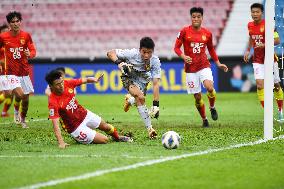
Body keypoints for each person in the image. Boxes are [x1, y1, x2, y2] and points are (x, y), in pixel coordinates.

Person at [45, 70, 132, 149]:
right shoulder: (53, 102)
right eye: (58, 84)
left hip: (84, 114)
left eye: (61, 82)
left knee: (105, 126)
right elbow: (55, 126)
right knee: (104, 140)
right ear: (51, 86)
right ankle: (81, 136)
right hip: (75, 127)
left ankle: (118, 137)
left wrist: (94, 80)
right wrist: (61, 142)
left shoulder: (67, 83)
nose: (61, 86)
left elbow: (84, 80)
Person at [174, 7, 228, 127]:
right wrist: (183, 56)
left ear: (202, 18)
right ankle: (204, 119)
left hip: (204, 65)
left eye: (198, 17)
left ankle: (212, 107)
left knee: (209, 87)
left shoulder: (207, 33)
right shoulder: (184, 31)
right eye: (194, 17)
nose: (196, 19)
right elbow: (176, 48)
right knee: (198, 97)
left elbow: (211, 49)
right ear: (191, 18)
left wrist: (218, 63)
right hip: (190, 69)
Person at [107, 37, 161, 139]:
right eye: (144, 52)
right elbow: (110, 53)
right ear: (139, 49)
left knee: (138, 99)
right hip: (129, 77)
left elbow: (155, 84)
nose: (146, 55)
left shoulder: (155, 61)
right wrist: (119, 62)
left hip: (143, 81)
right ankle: (150, 129)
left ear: (152, 52)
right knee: (140, 97)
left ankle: (130, 100)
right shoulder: (131, 54)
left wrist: (156, 105)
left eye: (149, 53)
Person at [243, 3, 284, 121]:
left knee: (276, 86)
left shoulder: (268, 25)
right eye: (253, 12)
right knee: (260, 85)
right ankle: (268, 113)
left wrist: (264, 44)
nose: (255, 14)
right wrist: (247, 50)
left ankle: (280, 111)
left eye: (257, 12)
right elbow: (251, 37)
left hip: (270, 59)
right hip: (257, 59)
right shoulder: (250, 25)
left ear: (262, 13)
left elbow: (277, 40)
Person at [0, 11, 36, 128]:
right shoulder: (3, 37)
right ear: (9, 24)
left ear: (20, 22)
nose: (15, 23)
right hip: (10, 72)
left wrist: (29, 53)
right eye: (12, 22)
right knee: (18, 94)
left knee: (25, 99)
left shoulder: (26, 35)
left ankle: (23, 120)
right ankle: (16, 113)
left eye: (17, 21)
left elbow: (33, 51)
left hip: (24, 72)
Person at [0, 23, 14, 117]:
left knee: (10, 93)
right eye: (3, 32)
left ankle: (4, 112)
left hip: (11, 71)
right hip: (3, 71)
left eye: (7, 31)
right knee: (7, 92)